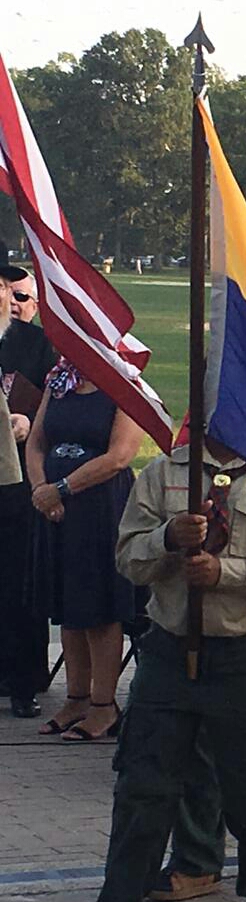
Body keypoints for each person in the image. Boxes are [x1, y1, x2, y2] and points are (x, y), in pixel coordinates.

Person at [50, 433, 246, 902]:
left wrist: (228, 572)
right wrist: (168, 538)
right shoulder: (164, 473)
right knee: (142, 790)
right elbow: (127, 555)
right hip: (169, 653)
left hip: (245, 653)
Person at [25, 360, 142, 740]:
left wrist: (62, 488)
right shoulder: (58, 380)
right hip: (55, 509)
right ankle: (76, 696)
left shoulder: (125, 385)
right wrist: (41, 489)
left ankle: (103, 704)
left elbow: (119, 456)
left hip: (100, 507)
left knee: (99, 605)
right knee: (68, 604)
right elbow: (38, 441)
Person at [0, 265, 56, 717]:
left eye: (4, 290)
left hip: (15, 480)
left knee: (17, 578)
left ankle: (22, 682)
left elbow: (56, 402)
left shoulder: (36, 344)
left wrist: (30, 421)